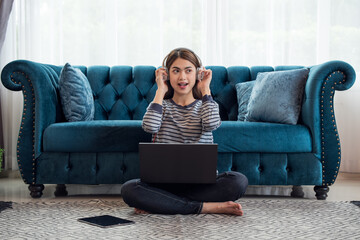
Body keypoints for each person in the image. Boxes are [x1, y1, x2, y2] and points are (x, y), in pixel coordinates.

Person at [121, 48, 248, 215]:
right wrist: (160, 90)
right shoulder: (161, 106)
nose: (182, 77)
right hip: (163, 184)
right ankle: (206, 207)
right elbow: (150, 127)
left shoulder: (206, 104)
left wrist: (205, 89)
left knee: (238, 181)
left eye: (188, 71)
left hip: (201, 185)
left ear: (197, 74)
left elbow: (211, 123)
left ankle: (163, 203)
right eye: (176, 71)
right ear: (167, 75)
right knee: (129, 189)